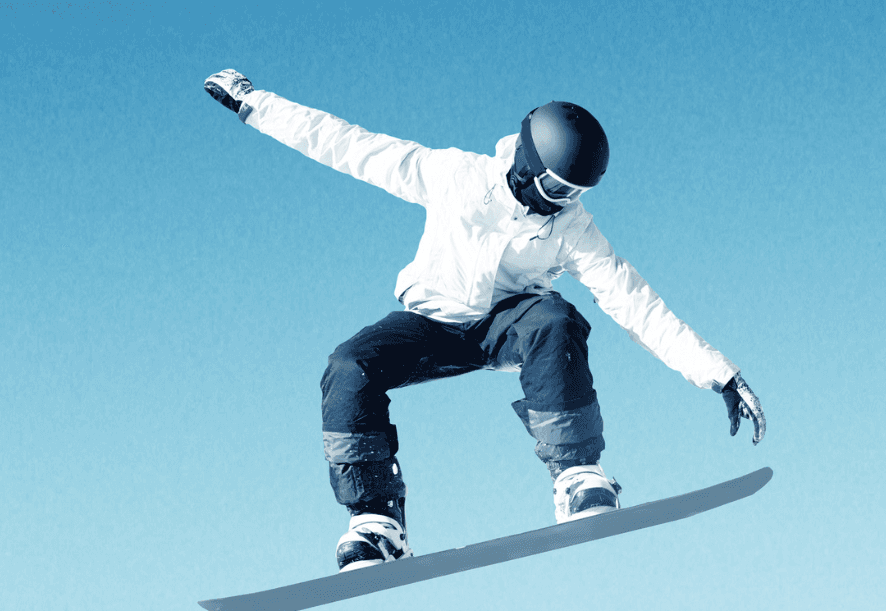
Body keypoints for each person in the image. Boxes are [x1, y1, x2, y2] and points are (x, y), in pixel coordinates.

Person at [202, 69, 765, 571]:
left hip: (507, 325)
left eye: (574, 193)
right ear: (527, 163)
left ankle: (577, 476)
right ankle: (377, 523)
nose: (559, 203)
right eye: (554, 187)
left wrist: (717, 373)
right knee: (348, 366)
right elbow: (346, 144)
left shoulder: (572, 227)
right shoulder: (453, 175)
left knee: (555, 318)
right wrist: (255, 104)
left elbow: (633, 300)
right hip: (431, 323)